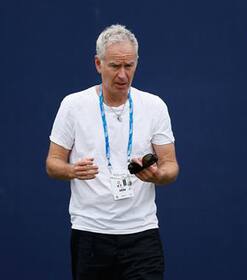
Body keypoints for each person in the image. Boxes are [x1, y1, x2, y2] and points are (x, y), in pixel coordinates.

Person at [46, 24, 179, 280]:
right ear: (98, 64)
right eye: (115, 66)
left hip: (142, 233)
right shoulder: (73, 105)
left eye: (129, 66)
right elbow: (52, 163)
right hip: (90, 233)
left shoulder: (154, 106)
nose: (122, 75)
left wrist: (157, 175)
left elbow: (171, 165)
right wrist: (72, 170)